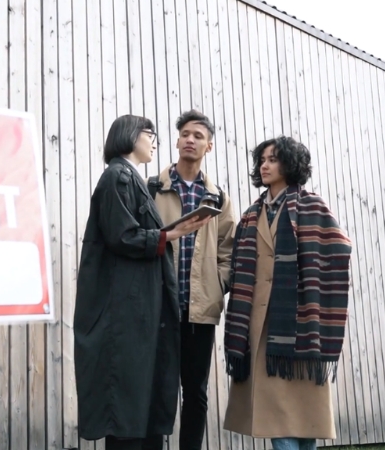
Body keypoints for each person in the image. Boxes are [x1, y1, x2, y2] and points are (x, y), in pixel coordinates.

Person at [74, 115, 210, 450]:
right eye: (151, 135)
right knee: (126, 402)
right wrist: (171, 233)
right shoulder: (118, 177)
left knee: (142, 400)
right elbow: (123, 236)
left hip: (137, 310)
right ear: (131, 135)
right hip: (124, 312)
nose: (154, 142)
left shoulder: (128, 178)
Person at [222, 136, 352, 450]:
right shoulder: (252, 214)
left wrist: (308, 281)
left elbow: (338, 249)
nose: (264, 165)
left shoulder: (311, 206)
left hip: (300, 322)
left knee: (304, 418)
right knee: (278, 416)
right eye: (262, 160)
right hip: (259, 325)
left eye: (273, 159)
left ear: (290, 164)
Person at [148, 110, 236, 450]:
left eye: (198, 136)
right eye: (185, 133)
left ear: (208, 146)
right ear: (176, 140)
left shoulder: (219, 198)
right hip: (160, 310)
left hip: (200, 311)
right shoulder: (153, 188)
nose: (190, 139)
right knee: (156, 388)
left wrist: (217, 283)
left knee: (195, 392)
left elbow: (229, 250)